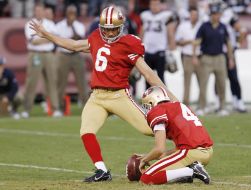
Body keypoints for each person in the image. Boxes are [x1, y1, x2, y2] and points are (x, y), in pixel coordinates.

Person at [29, 5, 178, 182]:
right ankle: (101, 171)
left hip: (119, 96)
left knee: (151, 128)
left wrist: (173, 99)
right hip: (97, 97)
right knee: (86, 131)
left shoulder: (129, 43)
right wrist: (47, 35)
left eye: (113, 29)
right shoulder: (95, 38)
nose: (108, 33)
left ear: (121, 27)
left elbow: (149, 74)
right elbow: (74, 45)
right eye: (106, 29)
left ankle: (186, 149)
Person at [138, 86, 213, 185]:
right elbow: (176, 148)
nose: (147, 110)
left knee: (146, 178)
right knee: (166, 165)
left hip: (190, 153)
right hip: (207, 151)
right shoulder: (179, 105)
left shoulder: (157, 111)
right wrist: (154, 156)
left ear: (152, 102)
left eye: (147, 106)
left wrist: (145, 159)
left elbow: (160, 149)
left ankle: (191, 171)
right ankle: (185, 174)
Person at [193, 2, 234, 116]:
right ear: (211, 14)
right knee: (203, 84)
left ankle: (222, 107)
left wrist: (230, 59)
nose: (217, 16)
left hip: (220, 58)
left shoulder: (223, 27)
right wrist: (195, 56)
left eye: (219, 14)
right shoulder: (204, 26)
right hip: (206, 58)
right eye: (215, 14)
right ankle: (202, 106)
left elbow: (228, 43)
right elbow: (196, 42)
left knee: (222, 84)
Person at [22, 3, 62, 118]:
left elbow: (56, 39)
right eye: (37, 10)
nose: (39, 12)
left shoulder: (50, 24)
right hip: (35, 54)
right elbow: (33, 41)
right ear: (35, 12)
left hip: (49, 54)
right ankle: (26, 109)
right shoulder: (30, 24)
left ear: (44, 12)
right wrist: (48, 38)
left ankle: (55, 108)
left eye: (41, 10)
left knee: (52, 81)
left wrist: (45, 38)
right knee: (31, 82)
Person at [56, 5, 89, 112]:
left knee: (82, 83)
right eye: (69, 13)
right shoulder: (59, 25)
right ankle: (59, 108)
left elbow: (78, 39)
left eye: (73, 13)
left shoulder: (79, 25)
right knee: (61, 83)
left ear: (75, 15)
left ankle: (87, 108)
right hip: (63, 55)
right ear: (66, 13)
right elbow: (60, 41)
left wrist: (72, 27)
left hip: (76, 55)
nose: (71, 15)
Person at [140, 0, 173, 88]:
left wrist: (171, 48)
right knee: (147, 76)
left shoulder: (166, 15)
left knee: (161, 77)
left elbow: (170, 31)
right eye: (152, 4)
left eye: (156, 4)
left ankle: (164, 99)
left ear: (160, 5)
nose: (154, 6)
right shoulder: (145, 15)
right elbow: (142, 31)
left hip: (160, 49)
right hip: (147, 50)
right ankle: (148, 98)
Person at [175, 7, 202, 107]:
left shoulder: (201, 26)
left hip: (200, 56)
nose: (194, 17)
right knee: (187, 81)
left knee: (202, 81)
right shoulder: (183, 26)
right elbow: (177, 41)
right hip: (187, 56)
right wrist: (190, 41)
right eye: (192, 14)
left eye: (195, 15)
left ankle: (202, 104)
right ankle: (186, 104)